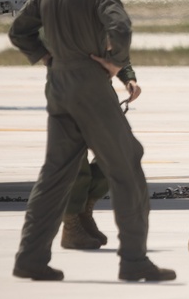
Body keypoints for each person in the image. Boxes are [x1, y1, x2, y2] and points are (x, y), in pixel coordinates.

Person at [8, 0, 175, 282]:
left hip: (58, 84)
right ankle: (134, 260)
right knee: (126, 165)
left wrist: (47, 56)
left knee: (54, 176)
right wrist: (116, 63)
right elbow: (121, 27)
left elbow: (18, 31)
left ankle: (30, 258)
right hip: (90, 84)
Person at [59, 63, 140, 250]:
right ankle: (71, 224)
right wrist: (47, 58)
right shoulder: (62, 31)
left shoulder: (105, 32)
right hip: (69, 91)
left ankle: (85, 210)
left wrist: (128, 78)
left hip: (102, 94)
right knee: (77, 162)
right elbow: (27, 35)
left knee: (120, 153)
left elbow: (117, 52)